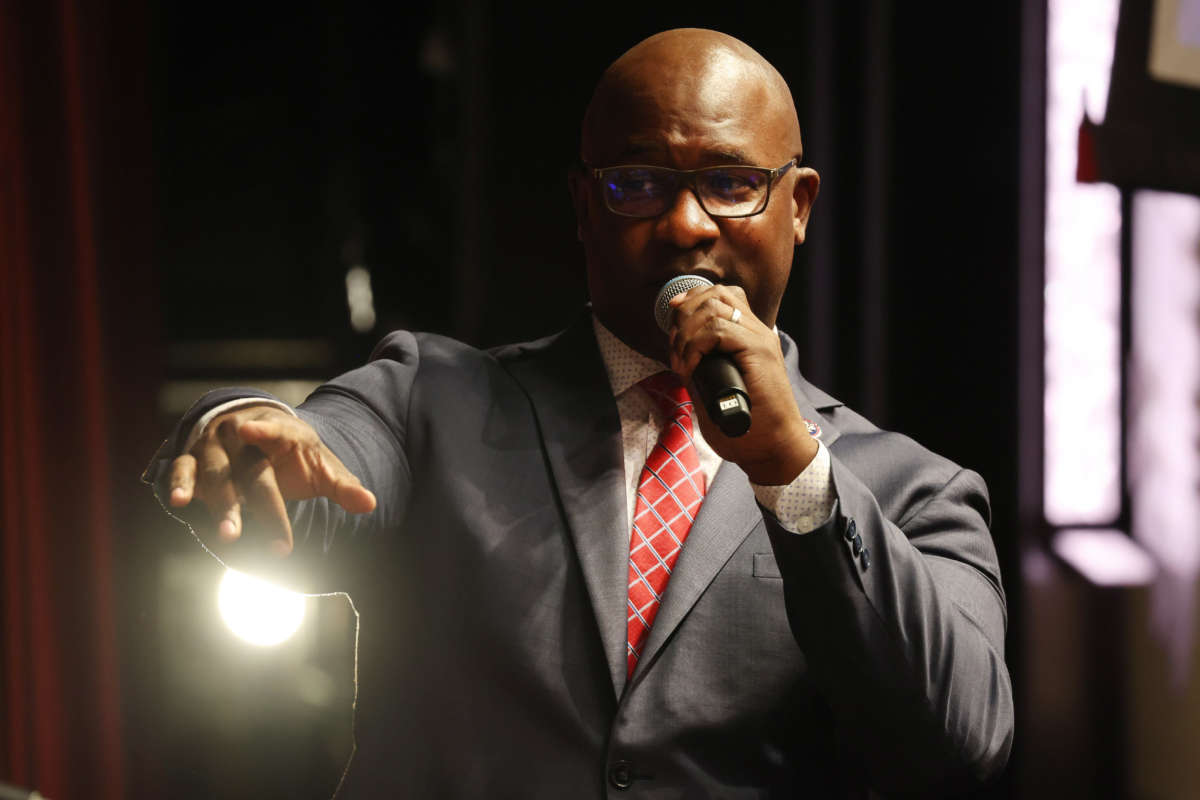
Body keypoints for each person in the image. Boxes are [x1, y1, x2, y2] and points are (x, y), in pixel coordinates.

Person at [146, 28, 1014, 797]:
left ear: (799, 207)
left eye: (731, 182)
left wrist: (793, 473)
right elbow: (315, 460)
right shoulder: (430, 400)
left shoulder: (913, 493)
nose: (684, 224)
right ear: (581, 208)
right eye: (636, 184)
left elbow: (961, 742)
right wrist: (242, 429)